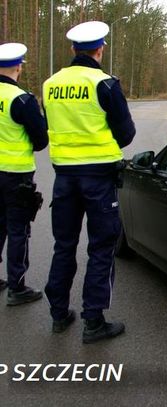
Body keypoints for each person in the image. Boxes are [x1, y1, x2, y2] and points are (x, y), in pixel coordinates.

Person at [42, 21, 136, 343]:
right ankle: (93, 322)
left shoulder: (50, 84)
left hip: (64, 178)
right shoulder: (105, 84)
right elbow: (126, 134)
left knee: (63, 246)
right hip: (98, 179)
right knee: (101, 247)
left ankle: (58, 315)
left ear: (72, 49)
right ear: (100, 49)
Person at [0, 42, 48, 306]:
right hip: (16, 174)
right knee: (18, 229)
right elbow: (40, 141)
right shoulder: (22, 100)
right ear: (18, 66)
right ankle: (17, 287)